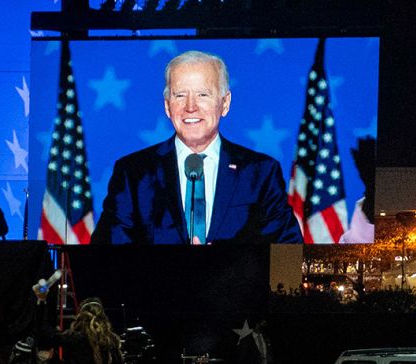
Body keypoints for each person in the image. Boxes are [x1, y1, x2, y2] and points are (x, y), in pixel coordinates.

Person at [96, 50, 302, 245]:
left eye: (203, 94)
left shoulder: (261, 173)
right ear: (167, 106)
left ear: (225, 103)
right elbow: (105, 256)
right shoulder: (133, 173)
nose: (191, 106)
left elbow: (288, 258)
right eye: (180, 95)